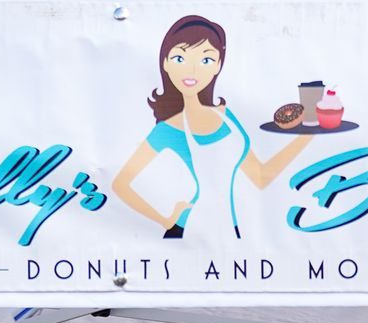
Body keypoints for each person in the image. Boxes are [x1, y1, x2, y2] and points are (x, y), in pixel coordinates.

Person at [111, 15, 315, 239]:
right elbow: (121, 184)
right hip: (191, 231)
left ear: (218, 65)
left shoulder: (227, 117)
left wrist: (306, 136)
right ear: (166, 63)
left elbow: (261, 175)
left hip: (231, 229)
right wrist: (166, 219)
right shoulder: (169, 129)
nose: (192, 70)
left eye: (205, 60)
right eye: (180, 58)